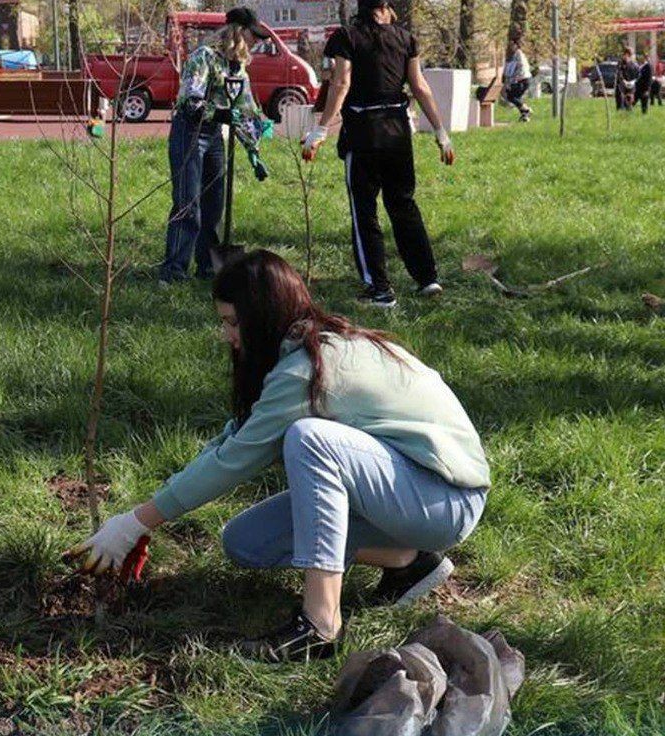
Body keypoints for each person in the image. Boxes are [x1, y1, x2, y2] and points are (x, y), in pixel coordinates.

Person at [69, 250, 490, 662]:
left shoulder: (307, 369)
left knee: (311, 440)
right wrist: (141, 516)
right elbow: (231, 445)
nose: (227, 336)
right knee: (246, 543)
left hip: (446, 499)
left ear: (262, 317)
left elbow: (232, 464)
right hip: (406, 490)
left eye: (233, 323)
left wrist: (135, 522)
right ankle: (408, 562)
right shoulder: (300, 353)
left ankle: (320, 624)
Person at [302, 0, 454, 308]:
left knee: (364, 211)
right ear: (384, 9)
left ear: (362, 11)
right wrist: (441, 132)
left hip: (363, 132)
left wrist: (319, 130)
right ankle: (427, 278)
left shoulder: (347, 37)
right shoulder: (405, 38)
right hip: (398, 130)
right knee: (403, 203)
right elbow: (420, 86)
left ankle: (380, 290)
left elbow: (341, 84)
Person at [158, 7, 271, 284]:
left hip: (214, 138)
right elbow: (189, 100)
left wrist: (253, 151)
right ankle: (173, 271)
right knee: (188, 204)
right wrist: (219, 113)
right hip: (190, 133)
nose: (256, 42)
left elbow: (244, 110)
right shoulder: (203, 58)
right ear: (237, 32)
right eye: (252, 35)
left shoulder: (238, 67)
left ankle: (208, 266)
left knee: (213, 206)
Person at [500, 41, 532, 122]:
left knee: (511, 96)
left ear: (516, 46)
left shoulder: (518, 54)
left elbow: (521, 67)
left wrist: (515, 78)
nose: (509, 48)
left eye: (512, 46)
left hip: (522, 80)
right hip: (521, 80)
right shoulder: (514, 55)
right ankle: (525, 115)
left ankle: (526, 109)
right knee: (516, 98)